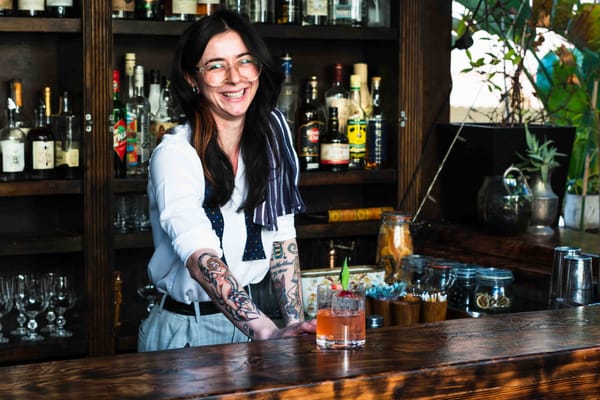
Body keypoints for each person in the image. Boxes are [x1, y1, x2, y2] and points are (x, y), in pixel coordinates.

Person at [138, 9, 316, 352]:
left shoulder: (273, 139)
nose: (235, 78)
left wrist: (292, 323)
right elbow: (198, 255)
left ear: (259, 68)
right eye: (216, 65)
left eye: (245, 61)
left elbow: (282, 238)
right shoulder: (176, 154)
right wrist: (265, 330)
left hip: (256, 326)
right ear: (193, 78)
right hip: (188, 330)